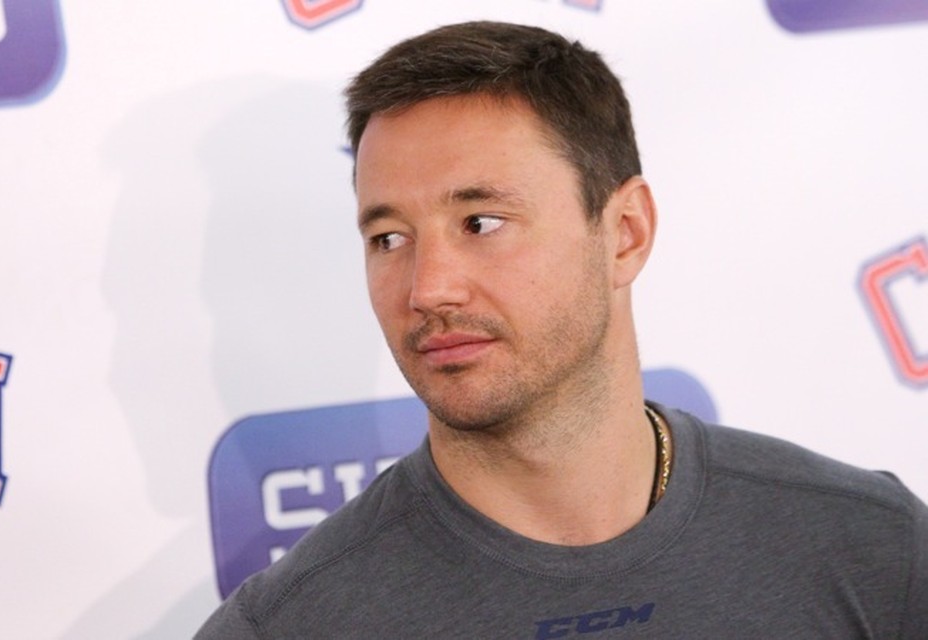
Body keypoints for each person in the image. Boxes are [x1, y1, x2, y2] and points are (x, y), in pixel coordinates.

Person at [196, 21, 928, 638]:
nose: (428, 288)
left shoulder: (871, 547)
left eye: (481, 223)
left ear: (626, 232)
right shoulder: (287, 627)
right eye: (389, 238)